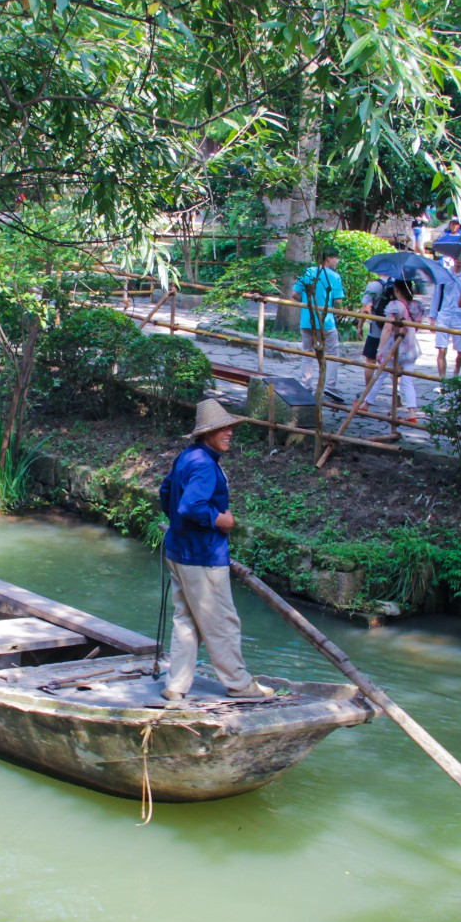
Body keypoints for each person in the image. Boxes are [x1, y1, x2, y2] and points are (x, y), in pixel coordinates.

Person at [158, 399, 272, 702]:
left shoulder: (187, 456)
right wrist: (220, 520)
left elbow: (166, 492)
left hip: (179, 550)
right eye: (223, 428)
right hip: (202, 556)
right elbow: (191, 505)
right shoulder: (205, 465)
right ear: (207, 433)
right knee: (221, 620)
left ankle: (176, 685)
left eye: (230, 427)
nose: (230, 432)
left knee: (186, 620)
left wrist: (179, 525)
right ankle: (238, 683)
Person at [359, 278, 427, 433]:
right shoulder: (416, 305)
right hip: (410, 345)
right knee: (407, 380)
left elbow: (388, 327)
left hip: (395, 346)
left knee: (380, 375)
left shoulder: (395, 305)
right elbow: (416, 324)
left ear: (397, 289)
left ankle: (366, 404)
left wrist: (380, 349)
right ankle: (411, 412)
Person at [294, 250, 347, 402]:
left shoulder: (308, 272)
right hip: (326, 321)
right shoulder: (335, 277)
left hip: (307, 319)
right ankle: (330, 386)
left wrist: (306, 306)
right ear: (328, 259)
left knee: (307, 352)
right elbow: (338, 301)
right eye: (336, 258)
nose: (337, 261)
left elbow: (295, 295)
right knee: (332, 352)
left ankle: (306, 385)